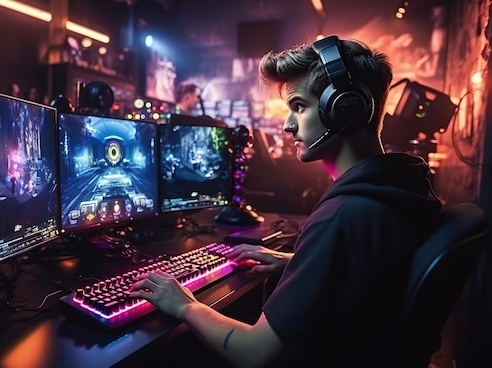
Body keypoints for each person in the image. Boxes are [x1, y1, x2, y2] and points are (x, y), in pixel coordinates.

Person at [129, 35, 442, 367]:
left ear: (345, 109)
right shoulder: (402, 188)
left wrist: (184, 305)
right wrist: (298, 260)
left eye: (299, 106)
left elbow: (255, 354)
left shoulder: (343, 216)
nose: (287, 125)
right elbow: (369, 270)